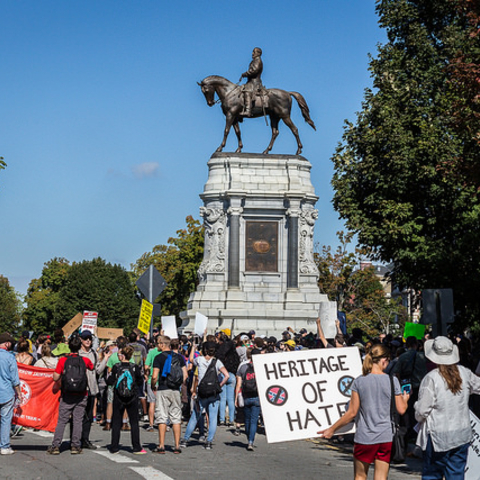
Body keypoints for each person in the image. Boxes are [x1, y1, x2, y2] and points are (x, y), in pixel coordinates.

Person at [318, 344, 409, 480]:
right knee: (381, 477)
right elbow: (401, 409)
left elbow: (352, 413)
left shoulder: (359, 381)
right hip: (385, 436)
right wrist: (405, 399)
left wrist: (332, 429)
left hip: (365, 437)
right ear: (383, 360)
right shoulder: (392, 380)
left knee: (360, 476)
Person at [414, 336, 480, 479]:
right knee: (456, 474)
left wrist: (416, 408)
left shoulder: (432, 378)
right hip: (461, 433)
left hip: (439, 435)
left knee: (432, 475)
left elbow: (422, 411)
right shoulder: (465, 373)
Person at [47, 334, 94, 455]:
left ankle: (56, 446)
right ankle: (75, 446)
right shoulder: (85, 360)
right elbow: (92, 367)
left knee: (62, 420)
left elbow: (55, 377)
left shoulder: (63, 360)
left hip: (67, 393)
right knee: (78, 420)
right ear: (79, 347)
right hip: (81, 393)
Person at [180, 340, 229, 450]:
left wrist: (193, 347)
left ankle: (185, 439)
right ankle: (209, 442)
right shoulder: (217, 362)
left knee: (195, 417)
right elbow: (226, 376)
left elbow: (191, 360)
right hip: (213, 393)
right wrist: (219, 385)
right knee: (212, 419)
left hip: (201, 393)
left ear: (205, 350)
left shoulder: (200, 360)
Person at [151, 336, 188, 454]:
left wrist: (153, 385)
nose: (157, 345)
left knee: (162, 416)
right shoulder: (179, 357)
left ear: (162, 344)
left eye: (157, 343)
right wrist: (178, 383)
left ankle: (161, 445)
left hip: (163, 388)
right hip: (176, 390)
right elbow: (185, 375)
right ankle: (177, 446)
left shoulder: (158, 358)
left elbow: (155, 375)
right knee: (176, 417)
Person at [107, 346, 146, 454]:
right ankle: (136, 447)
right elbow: (139, 381)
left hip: (118, 396)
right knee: (134, 422)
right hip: (132, 396)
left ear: (123, 355)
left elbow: (110, 381)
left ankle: (114, 446)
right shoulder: (134, 367)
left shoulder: (116, 367)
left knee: (116, 421)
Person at [78, 329, 110, 450]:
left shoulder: (93, 353)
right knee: (78, 416)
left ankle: (85, 439)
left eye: (89, 339)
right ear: (81, 339)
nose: (88, 341)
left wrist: (105, 359)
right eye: (85, 338)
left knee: (88, 416)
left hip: (91, 388)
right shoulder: (77, 353)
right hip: (79, 388)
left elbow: (97, 370)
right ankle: (76, 439)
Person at [0, 333, 22, 455]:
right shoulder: (10, 357)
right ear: (7, 344)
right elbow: (15, 378)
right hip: (6, 392)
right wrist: (19, 393)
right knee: (5, 420)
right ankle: (4, 446)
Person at [235, 348, 260, 451]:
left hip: (245, 396)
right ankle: (251, 441)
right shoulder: (261, 368)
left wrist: (236, 397)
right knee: (254, 420)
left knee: (247, 419)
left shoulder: (243, 367)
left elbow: (238, 384)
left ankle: (248, 436)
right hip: (257, 396)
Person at [239, 47, 263, 117]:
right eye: (253, 52)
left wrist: (245, 74)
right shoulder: (254, 61)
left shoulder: (258, 61)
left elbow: (254, 71)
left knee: (247, 91)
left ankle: (248, 111)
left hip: (254, 83)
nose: (252, 53)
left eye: (254, 52)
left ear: (258, 53)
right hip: (250, 82)